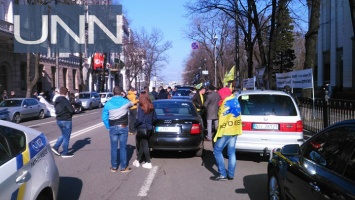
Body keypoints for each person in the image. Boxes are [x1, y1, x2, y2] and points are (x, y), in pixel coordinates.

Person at [210, 87, 242, 181]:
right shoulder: (235, 100)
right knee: (231, 152)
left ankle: (222, 174)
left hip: (227, 130)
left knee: (217, 150)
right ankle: (231, 175)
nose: (220, 97)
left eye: (220, 95)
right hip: (235, 129)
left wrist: (218, 133)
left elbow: (222, 117)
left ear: (224, 94)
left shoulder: (226, 103)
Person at [102, 86, 133, 173]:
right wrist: (125, 95)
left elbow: (104, 117)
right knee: (123, 148)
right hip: (123, 127)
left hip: (112, 127)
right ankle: (123, 167)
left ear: (113, 92)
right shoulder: (126, 102)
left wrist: (108, 126)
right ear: (121, 93)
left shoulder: (108, 103)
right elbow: (132, 104)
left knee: (114, 148)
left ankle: (114, 167)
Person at [132, 90, 157, 169]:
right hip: (149, 128)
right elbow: (155, 118)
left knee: (144, 144)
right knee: (143, 144)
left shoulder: (141, 106)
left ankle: (148, 162)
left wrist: (134, 126)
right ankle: (138, 161)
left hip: (142, 128)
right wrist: (150, 124)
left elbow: (139, 119)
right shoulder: (151, 106)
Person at [51, 87, 75, 158]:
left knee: (64, 134)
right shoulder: (65, 101)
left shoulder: (56, 100)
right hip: (66, 120)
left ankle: (55, 147)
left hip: (59, 120)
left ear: (59, 92)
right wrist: (73, 108)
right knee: (66, 137)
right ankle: (65, 153)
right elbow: (71, 111)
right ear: (66, 93)